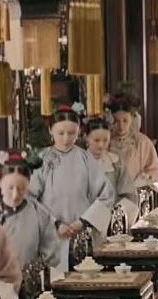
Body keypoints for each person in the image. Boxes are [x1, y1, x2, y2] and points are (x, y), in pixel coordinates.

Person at [30, 104, 115, 271]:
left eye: (72, 133)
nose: (66, 139)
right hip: (52, 234)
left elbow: (107, 194)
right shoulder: (42, 159)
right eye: (60, 133)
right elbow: (29, 198)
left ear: (79, 132)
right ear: (50, 131)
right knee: (52, 286)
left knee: (83, 280)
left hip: (82, 232)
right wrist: (56, 224)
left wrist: (82, 221)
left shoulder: (86, 158)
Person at [0, 148, 59, 271]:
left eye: (21, 188)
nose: (15, 194)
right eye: (10, 188)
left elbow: (52, 257)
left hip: (32, 284)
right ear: (0, 182)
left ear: (29, 183)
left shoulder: (41, 215)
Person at [84, 116, 140, 231]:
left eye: (105, 140)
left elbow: (129, 196)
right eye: (96, 140)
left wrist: (115, 216)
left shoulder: (115, 163)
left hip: (112, 225)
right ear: (86, 137)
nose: (101, 145)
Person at [106, 88, 158, 193]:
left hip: (135, 197)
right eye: (116, 121)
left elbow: (156, 172)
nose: (121, 126)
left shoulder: (143, 142)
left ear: (132, 119)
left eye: (125, 120)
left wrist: (142, 179)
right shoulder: (105, 141)